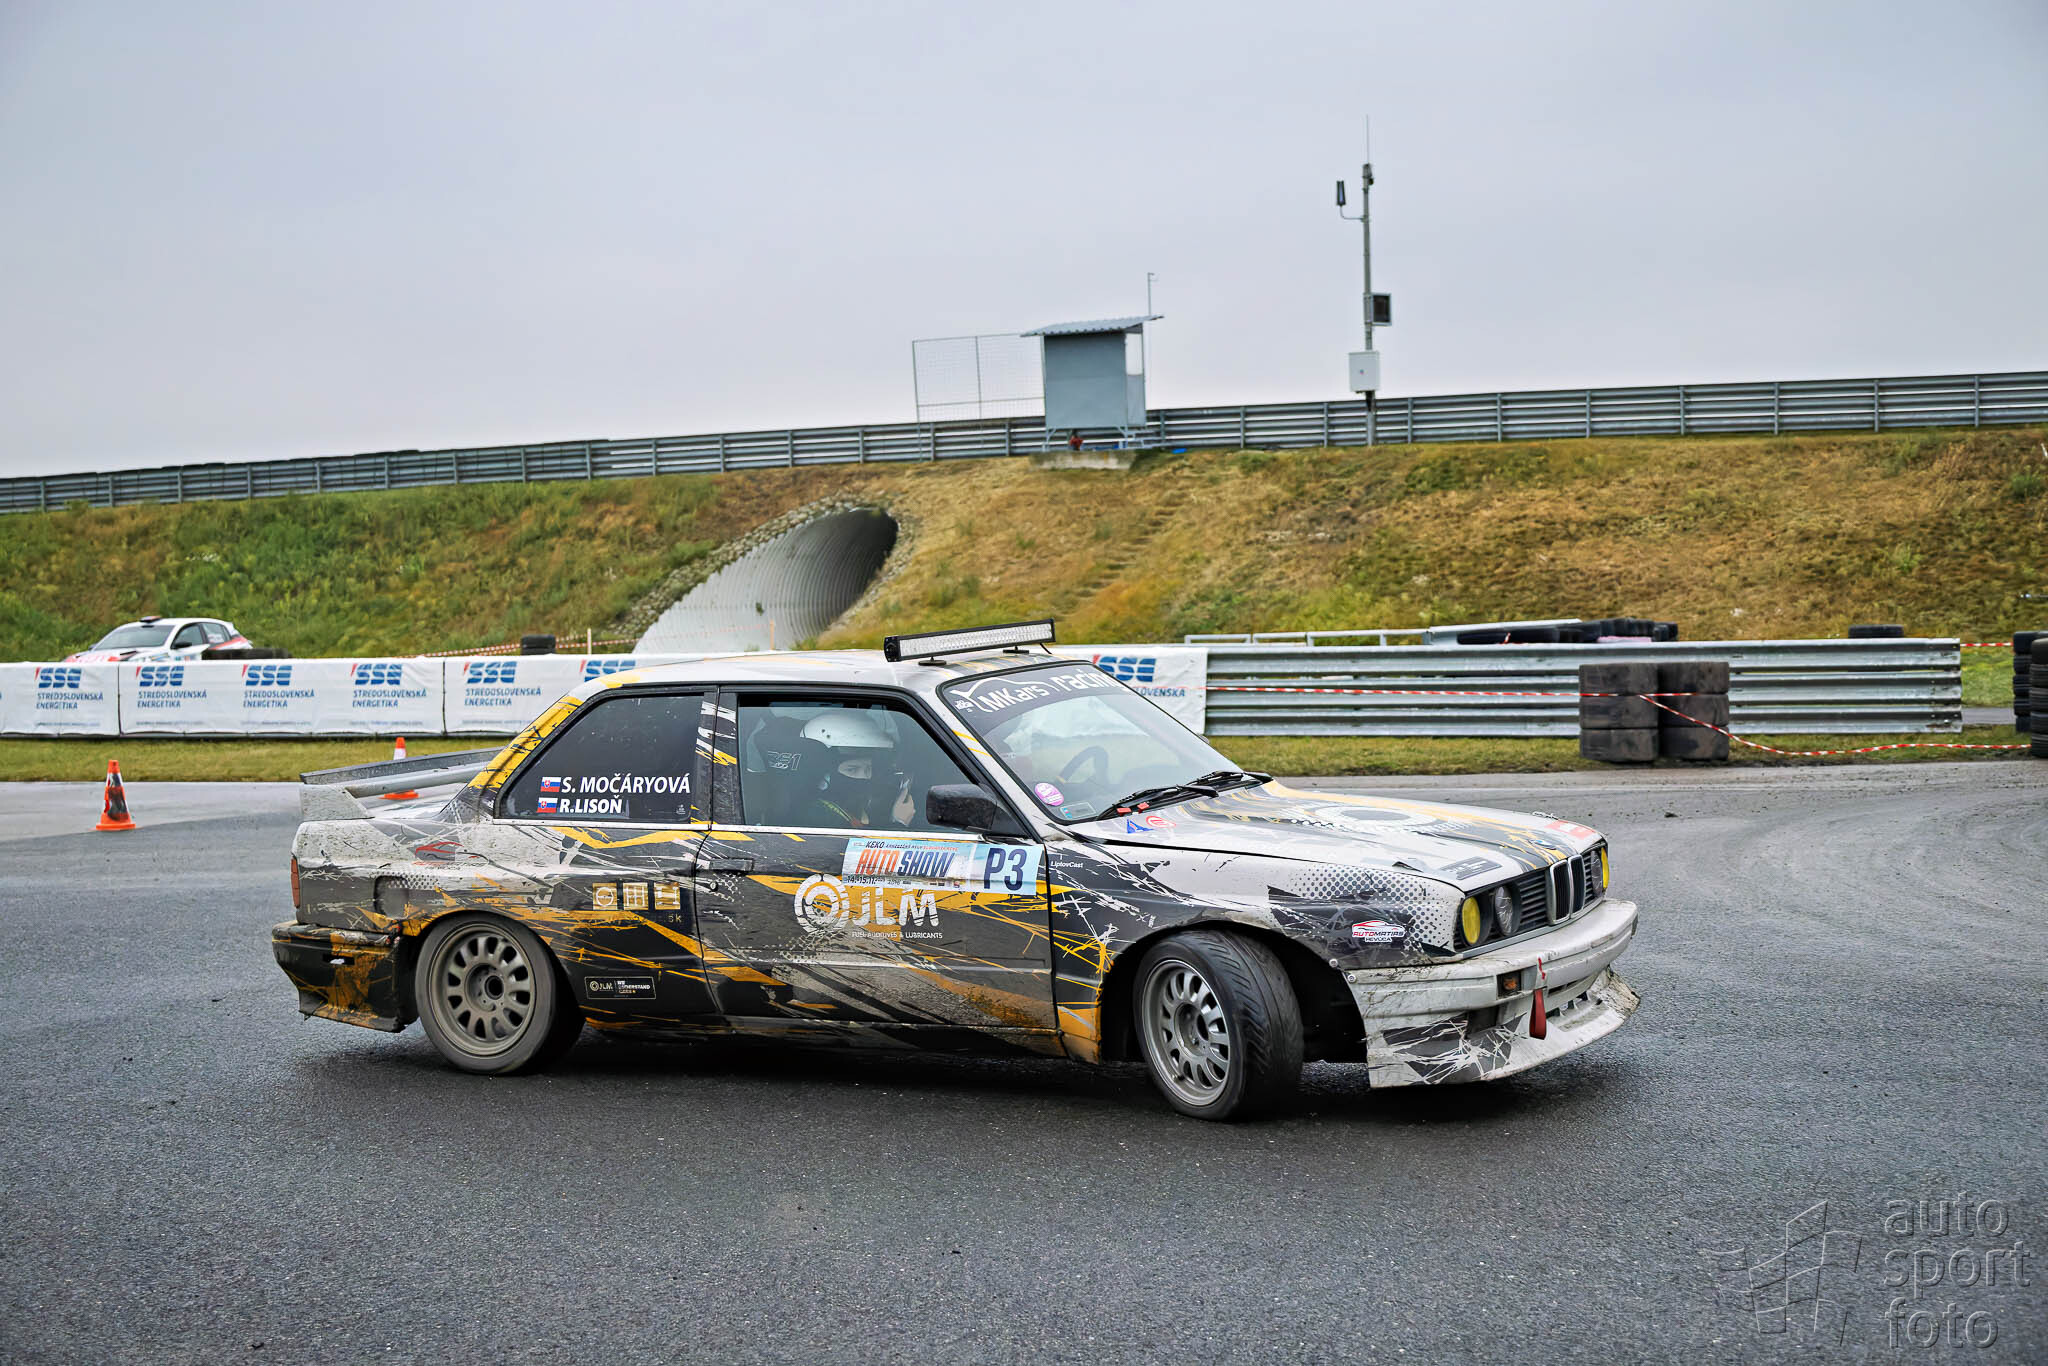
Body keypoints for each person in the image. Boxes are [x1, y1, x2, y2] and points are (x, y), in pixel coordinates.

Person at [796, 710, 916, 830]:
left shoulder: (856, 812)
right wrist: (899, 823)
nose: (865, 777)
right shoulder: (818, 816)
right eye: (852, 770)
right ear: (825, 777)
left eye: (869, 769)